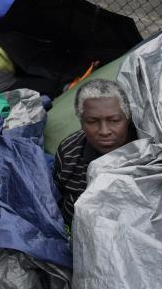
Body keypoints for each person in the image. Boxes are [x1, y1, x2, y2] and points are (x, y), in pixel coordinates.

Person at [53, 79, 138, 227]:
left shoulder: (148, 152)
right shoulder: (69, 153)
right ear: (81, 120)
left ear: (127, 118)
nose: (104, 131)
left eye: (114, 120)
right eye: (92, 122)